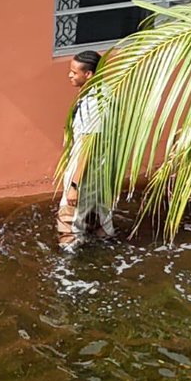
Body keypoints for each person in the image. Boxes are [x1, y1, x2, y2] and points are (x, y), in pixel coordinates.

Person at [57, 51, 114, 251]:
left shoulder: (92, 104)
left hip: (86, 171)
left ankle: (68, 262)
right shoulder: (105, 92)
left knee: (68, 223)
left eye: (74, 72)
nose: (70, 75)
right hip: (100, 170)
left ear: (88, 74)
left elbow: (88, 147)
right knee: (98, 217)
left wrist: (74, 184)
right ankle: (106, 254)